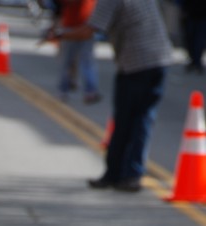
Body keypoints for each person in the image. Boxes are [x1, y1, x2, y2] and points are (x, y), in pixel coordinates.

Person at [43, 0, 172, 192]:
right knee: (142, 117)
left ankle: (120, 174)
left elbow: (89, 31)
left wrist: (60, 34)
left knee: (127, 120)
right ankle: (127, 174)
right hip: (159, 59)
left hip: (136, 64)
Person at [50, 0, 101, 104]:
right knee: (66, 61)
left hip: (86, 27)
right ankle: (63, 89)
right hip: (71, 26)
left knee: (86, 62)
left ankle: (90, 91)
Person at [180, 0, 206, 74]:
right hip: (190, 14)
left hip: (201, 15)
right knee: (190, 39)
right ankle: (194, 61)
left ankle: (197, 61)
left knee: (199, 40)